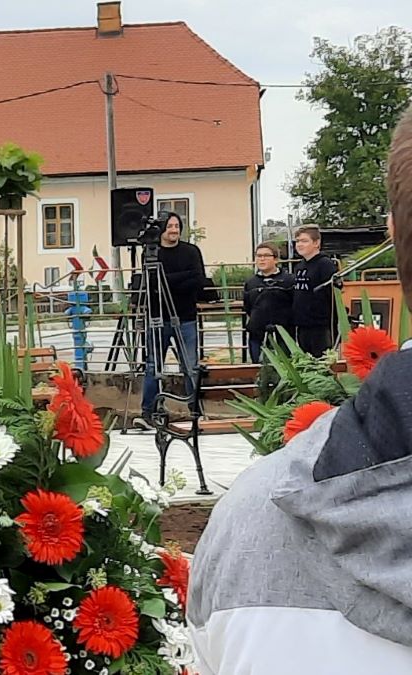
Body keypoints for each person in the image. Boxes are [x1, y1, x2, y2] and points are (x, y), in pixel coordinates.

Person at [187, 107, 412, 672]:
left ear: (394, 232)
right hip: (264, 334)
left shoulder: (247, 524)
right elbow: (256, 305)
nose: (271, 260)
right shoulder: (251, 516)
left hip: (310, 329)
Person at [135, 212, 207, 429]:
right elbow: (151, 281)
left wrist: (168, 279)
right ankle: (149, 411)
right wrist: (180, 278)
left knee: (190, 366)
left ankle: (196, 411)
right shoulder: (151, 252)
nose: (174, 230)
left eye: (177, 225)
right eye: (170, 226)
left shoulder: (191, 251)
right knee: (152, 366)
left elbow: (198, 279)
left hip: (185, 316)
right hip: (157, 316)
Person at [242, 241, 295, 363]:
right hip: (257, 334)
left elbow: (295, 305)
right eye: (259, 256)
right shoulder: (251, 283)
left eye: (266, 255)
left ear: (276, 259)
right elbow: (248, 307)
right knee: (258, 368)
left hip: (283, 335)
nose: (262, 259)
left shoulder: (289, 280)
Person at [290, 226, 339, 357]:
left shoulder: (325, 265)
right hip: (302, 324)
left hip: (320, 326)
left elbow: (333, 294)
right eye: (298, 241)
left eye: (304, 241)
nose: (299, 244)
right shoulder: (299, 267)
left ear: (316, 243)